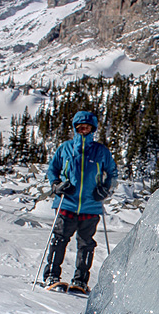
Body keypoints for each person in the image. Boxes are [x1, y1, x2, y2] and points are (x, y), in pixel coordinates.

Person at [43, 110, 118, 291]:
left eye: (87, 127)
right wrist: (56, 186)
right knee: (59, 240)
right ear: (75, 129)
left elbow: (113, 174)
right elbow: (52, 169)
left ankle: (80, 281)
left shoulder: (101, 151)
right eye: (80, 127)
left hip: (91, 206)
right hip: (66, 202)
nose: (83, 130)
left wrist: (105, 190)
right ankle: (52, 277)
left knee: (86, 244)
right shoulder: (65, 148)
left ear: (93, 129)